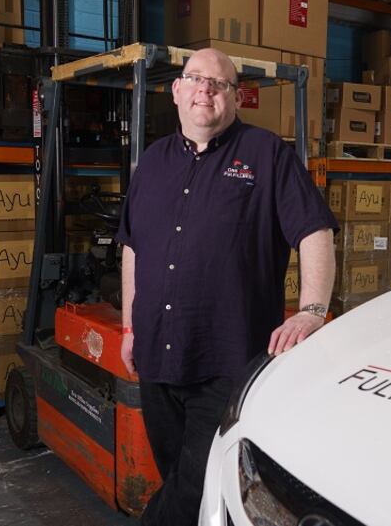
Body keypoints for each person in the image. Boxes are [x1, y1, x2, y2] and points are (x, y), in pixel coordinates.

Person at [116, 48, 338, 526]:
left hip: (226, 364)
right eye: (195, 79)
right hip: (158, 359)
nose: (205, 90)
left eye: (218, 84)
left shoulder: (267, 155)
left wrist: (312, 310)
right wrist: (130, 327)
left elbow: (314, 231)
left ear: (237, 98)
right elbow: (133, 247)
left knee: (192, 488)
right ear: (176, 91)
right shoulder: (152, 163)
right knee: (178, 477)